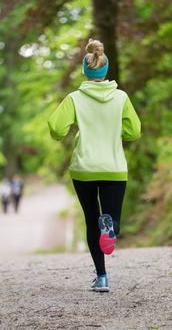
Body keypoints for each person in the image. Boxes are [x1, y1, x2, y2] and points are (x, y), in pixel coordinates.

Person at [48, 38, 141, 292]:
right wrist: (114, 132)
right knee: (110, 222)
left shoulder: (74, 98)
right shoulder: (121, 97)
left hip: (84, 169)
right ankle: (110, 227)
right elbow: (134, 131)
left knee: (91, 220)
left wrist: (65, 134)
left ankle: (101, 278)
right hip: (113, 167)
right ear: (105, 69)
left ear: (86, 71)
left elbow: (56, 127)